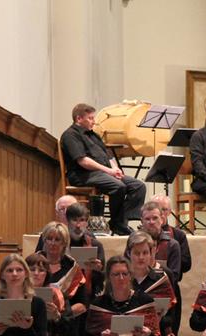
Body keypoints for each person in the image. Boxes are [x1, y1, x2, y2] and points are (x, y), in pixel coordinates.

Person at [60, 103, 145, 235]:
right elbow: (83, 161)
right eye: (90, 118)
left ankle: (118, 222)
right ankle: (118, 224)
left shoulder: (94, 135)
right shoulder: (70, 135)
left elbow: (108, 155)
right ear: (78, 119)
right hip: (83, 175)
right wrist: (109, 171)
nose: (94, 122)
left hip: (103, 173)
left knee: (138, 186)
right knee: (118, 187)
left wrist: (116, 169)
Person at [38, 221, 98, 336]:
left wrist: (60, 314)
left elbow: (83, 304)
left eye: (57, 239)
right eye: (49, 239)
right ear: (44, 241)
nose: (52, 243)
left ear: (64, 243)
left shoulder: (73, 269)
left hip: (65, 329)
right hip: (36, 326)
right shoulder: (33, 264)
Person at [0, 254, 48, 336]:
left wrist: (28, 329)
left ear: (26, 274)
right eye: (9, 270)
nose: (14, 274)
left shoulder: (38, 304)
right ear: (2, 275)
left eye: (19, 270)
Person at [85, 256, 158, 336]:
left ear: (130, 276)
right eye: (116, 274)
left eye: (124, 274)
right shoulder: (98, 305)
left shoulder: (145, 302)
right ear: (109, 277)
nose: (121, 278)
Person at [124, 231, 179, 336]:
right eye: (136, 253)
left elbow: (171, 317)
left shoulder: (161, 281)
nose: (141, 257)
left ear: (151, 253)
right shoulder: (122, 279)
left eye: (145, 253)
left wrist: (157, 319)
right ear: (129, 253)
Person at [26, 253, 69, 336]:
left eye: (41, 270)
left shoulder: (56, 294)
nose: (36, 273)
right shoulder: (17, 293)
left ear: (47, 274)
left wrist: (57, 317)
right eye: (32, 270)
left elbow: (69, 328)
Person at [138, 202, 182, 282]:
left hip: (165, 290)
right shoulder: (134, 243)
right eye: (147, 219)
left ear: (162, 219)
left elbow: (175, 278)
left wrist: (154, 264)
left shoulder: (172, 245)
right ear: (142, 221)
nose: (151, 222)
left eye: (155, 218)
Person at [150, 194, 192, 276]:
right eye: (157, 209)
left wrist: (172, 255)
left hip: (171, 283)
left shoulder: (178, 235)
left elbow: (186, 265)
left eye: (164, 209)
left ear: (169, 212)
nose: (160, 213)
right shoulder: (140, 236)